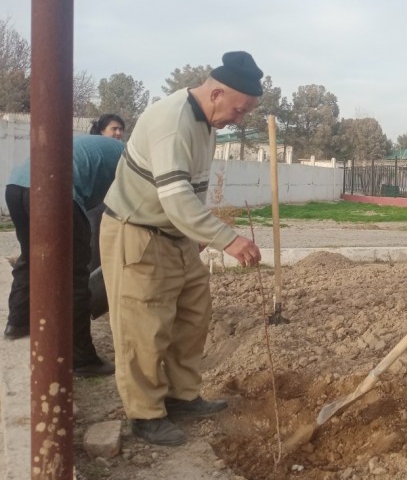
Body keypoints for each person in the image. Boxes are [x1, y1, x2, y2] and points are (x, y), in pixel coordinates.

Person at [99, 51, 264, 446]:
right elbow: (176, 199)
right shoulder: (173, 122)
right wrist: (229, 239)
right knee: (143, 328)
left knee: (193, 314)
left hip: (175, 235)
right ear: (217, 93)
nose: (239, 121)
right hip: (138, 233)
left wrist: (198, 235)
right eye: (240, 111)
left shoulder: (204, 121)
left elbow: (190, 194)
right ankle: (145, 413)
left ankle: (182, 396)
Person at [3, 135, 124, 377]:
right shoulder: (136, 159)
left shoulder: (109, 148)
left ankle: (17, 322)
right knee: (74, 276)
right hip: (55, 192)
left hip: (16, 188)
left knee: (30, 257)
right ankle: (81, 359)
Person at [88, 113, 126, 271]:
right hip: (94, 205)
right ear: (102, 131)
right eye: (114, 129)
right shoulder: (111, 148)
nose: (118, 133)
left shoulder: (108, 148)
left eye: (121, 129)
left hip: (104, 204)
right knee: (94, 247)